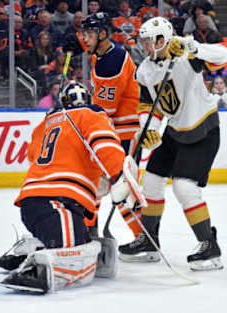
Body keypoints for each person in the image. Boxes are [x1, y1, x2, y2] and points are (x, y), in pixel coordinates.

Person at [0, 81, 136, 293]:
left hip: (35, 200)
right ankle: (37, 267)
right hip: (57, 201)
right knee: (76, 250)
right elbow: (105, 144)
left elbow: (32, 154)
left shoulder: (47, 123)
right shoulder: (91, 115)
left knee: (80, 235)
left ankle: (35, 246)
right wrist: (119, 176)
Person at [119, 17, 227, 271]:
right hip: (174, 130)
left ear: (162, 39)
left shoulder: (186, 54)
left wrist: (192, 46)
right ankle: (149, 241)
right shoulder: (145, 70)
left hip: (203, 128)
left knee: (184, 188)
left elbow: (223, 56)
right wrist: (150, 129)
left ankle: (209, 246)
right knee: (151, 182)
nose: (144, 46)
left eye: (148, 41)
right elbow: (150, 107)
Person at [64, 12, 142, 238]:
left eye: (89, 34)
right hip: (114, 131)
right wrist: (74, 43)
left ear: (103, 34)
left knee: (121, 188)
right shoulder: (105, 52)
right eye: (83, 34)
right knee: (96, 183)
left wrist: (75, 112)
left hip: (123, 134)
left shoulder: (111, 62)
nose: (85, 39)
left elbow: (103, 111)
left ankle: (143, 237)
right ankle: (90, 231)